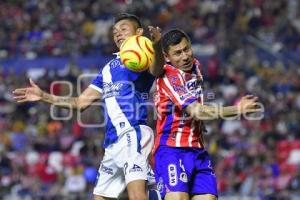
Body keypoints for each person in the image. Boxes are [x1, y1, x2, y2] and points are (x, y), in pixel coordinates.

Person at [13, 13, 164, 200]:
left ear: (139, 32)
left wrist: (156, 46)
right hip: (112, 142)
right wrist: (44, 96)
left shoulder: (145, 56)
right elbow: (80, 103)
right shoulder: (108, 68)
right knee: (99, 197)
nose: (117, 34)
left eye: (123, 29)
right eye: (115, 32)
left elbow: (157, 69)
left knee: (136, 195)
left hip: (133, 134)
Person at [153, 29, 262, 200]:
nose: (185, 56)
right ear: (167, 57)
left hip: (197, 150)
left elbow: (194, 103)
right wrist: (237, 110)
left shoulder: (196, 66)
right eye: (177, 53)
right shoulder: (170, 76)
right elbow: (197, 111)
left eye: (186, 49)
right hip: (172, 150)